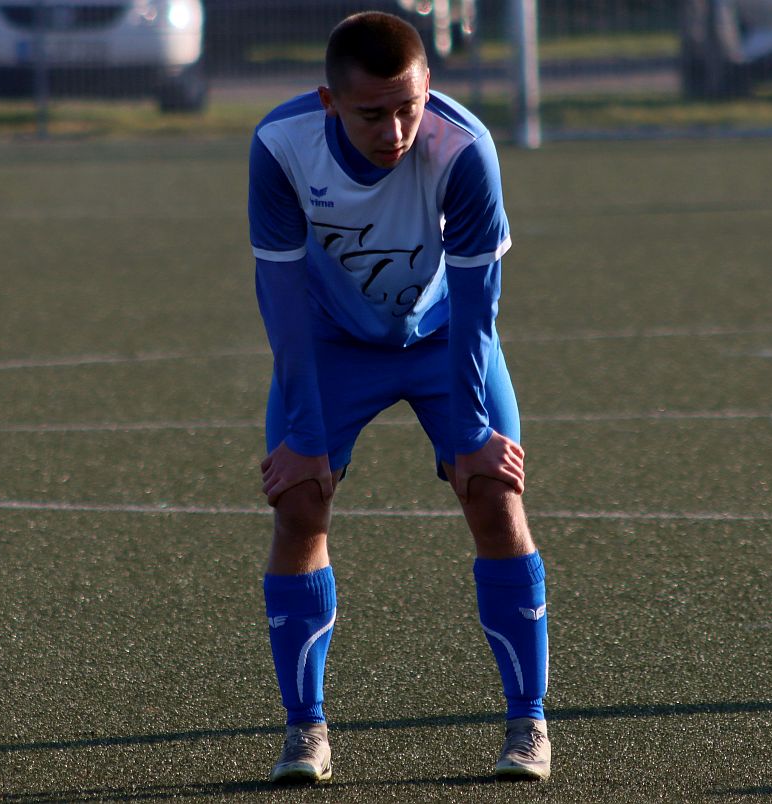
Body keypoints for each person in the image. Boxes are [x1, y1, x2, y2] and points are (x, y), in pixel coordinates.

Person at [248, 10, 550, 784]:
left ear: (428, 89)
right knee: (299, 505)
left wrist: (474, 431)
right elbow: (281, 302)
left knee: (493, 494)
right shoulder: (281, 145)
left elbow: (481, 304)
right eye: (371, 113)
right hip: (330, 344)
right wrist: (307, 434)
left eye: (408, 106)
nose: (395, 129)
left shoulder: (465, 148)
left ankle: (527, 725)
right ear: (328, 102)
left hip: (444, 339)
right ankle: (304, 731)